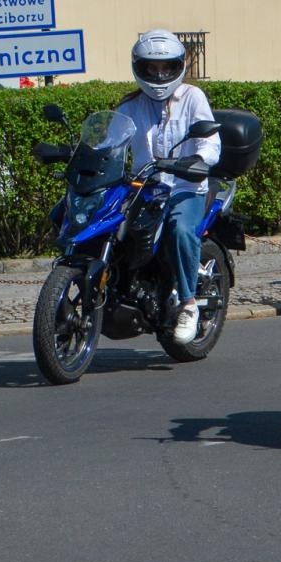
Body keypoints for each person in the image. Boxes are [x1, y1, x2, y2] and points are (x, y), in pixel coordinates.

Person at [114, 29, 222, 345]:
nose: (159, 74)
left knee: (179, 229)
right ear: (140, 67)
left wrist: (199, 160)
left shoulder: (193, 97)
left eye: (166, 67)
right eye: (152, 67)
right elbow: (111, 143)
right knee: (107, 222)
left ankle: (188, 304)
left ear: (178, 66)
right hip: (144, 188)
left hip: (184, 186)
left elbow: (210, 139)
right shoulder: (129, 106)